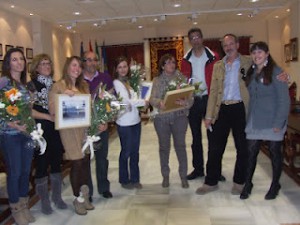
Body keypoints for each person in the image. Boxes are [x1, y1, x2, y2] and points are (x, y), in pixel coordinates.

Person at [196, 34, 288, 195]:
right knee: (215, 148)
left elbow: (268, 67)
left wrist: (286, 76)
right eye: (225, 45)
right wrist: (209, 115)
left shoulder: (249, 61)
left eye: (231, 44)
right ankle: (211, 181)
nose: (228, 47)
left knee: (243, 148)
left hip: (241, 109)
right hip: (221, 109)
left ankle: (239, 182)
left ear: (238, 45)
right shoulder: (218, 65)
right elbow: (213, 91)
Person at [240, 42, 290, 200]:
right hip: (255, 119)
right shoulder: (252, 71)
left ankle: (275, 184)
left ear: (267, 54)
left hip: (272, 119)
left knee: (275, 153)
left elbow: (284, 100)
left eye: (260, 52)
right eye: (254, 53)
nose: (256, 55)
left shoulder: (276, 72)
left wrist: (278, 123)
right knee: (251, 153)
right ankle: (248, 183)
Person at [48, 56, 94, 215]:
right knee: (77, 163)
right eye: (74, 65)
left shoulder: (84, 85)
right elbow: (52, 110)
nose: (77, 69)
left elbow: (90, 107)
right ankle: (77, 199)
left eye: (80, 67)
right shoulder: (58, 86)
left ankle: (84, 196)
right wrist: (62, 97)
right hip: (68, 131)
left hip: (84, 130)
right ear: (67, 67)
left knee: (86, 163)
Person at [180, 27, 225, 181]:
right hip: (193, 101)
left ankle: (215, 171)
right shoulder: (185, 60)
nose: (195, 40)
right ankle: (198, 169)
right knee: (195, 137)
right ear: (189, 41)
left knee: (214, 137)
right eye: (192, 38)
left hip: (209, 99)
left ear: (202, 38)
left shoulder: (214, 57)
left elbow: (220, 78)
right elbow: (182, 81)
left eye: (198, 37)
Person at [28, 54, 67, 215]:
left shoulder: (57, 84)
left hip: (56, 129)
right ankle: (44, 201)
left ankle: (57, 198)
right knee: (42, 165)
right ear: (36, 68)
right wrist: (47, 117)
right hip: (41, 130)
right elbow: (28, 111)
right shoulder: (32, 85)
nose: (46, 66)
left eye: (48, 63)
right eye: (43, 64)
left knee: (57, 163)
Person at [0, 48, 35, 225]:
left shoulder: (24, 85)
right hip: (10, 136)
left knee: (25, 171)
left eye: (21, 59)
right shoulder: (4, 83)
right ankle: (15, 208)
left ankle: (24, 204)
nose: (19, 62)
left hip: (26, 135)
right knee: (14, 172)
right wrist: (10, 124)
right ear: (8, 63)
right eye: (14, 59)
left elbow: (26, 111)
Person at [150, 54, 193, 188]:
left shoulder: (182, 78)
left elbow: (191, 99)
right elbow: (152, 98)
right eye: (168, 63)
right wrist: (159, 103)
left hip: (179, 117)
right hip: (162, 119)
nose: (172, 65)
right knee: (164, 148)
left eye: (173, 62)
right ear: (162, 66)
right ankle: (165, 175)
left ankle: (183, 176)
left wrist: (186, 102)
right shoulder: (156, 80)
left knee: (180, 147)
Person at [82, 51, 114, 200]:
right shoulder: (77, 80)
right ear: (84, 62)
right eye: (89, 60)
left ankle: (104, 187)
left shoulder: (105, 78)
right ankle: (88, 191)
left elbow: (111, 103)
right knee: (85, 161)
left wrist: (106, 121)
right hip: (83, 128)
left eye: (95, 60)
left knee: (102, 159)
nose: (92, 63)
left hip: (101, 126)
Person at [113, 56, 147, 189]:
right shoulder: (117, 82)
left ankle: (135, 178)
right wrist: (143, 102)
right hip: (124, 122)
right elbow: (127, 102)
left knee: (135, 152)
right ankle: (124, 179)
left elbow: (135, 98)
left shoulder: (130, 81)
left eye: (125, 66)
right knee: (126, 152)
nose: (123, 69)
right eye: (120, 67)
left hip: (136, 121)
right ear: (116, 69)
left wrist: (143, 98)